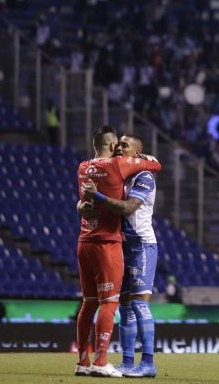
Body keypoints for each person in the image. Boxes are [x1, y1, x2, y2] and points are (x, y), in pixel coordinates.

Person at [73, 126, 162, 377]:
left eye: (126, 146)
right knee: (123, 306)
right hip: (120, 243)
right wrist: (83, 203)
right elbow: (90, 196)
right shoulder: (120, 172)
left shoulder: (143, 175)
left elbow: (127, 209)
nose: (120, 149)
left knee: (139, 304)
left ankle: (147, 362)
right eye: (119, 144)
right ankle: (125, 361)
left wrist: (95, 197)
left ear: (137, 153)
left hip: (141, 244)